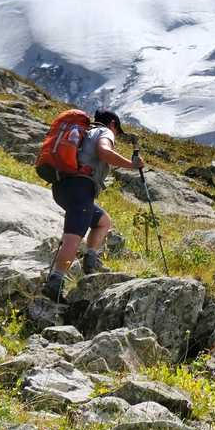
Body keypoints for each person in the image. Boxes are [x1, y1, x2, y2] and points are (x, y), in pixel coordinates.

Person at [42, 109, 141, 302]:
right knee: (74, 236)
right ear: (112, 123)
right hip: (81, 186)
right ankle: (55, 282)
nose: (116, 135)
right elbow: (104, 152)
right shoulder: (105, 132)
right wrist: (132, 165)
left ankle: (91, 260)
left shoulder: (84, 132)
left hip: (61, 186)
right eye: (117, 131)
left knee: (102, 221)